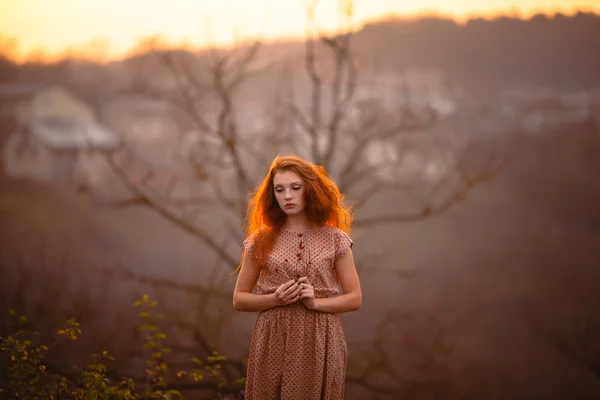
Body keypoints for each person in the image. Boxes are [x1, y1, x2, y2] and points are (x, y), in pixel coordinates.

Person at [233, 154, 362, 400]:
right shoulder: (260, 241)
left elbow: (355, 298)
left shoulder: (335, 239)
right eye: (279, 190)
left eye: (295, 187)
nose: (287, 196)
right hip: (273, 337)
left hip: (320, 338)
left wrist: (316, 303)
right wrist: (274, 299)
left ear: (310, 189)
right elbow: (239, 299)